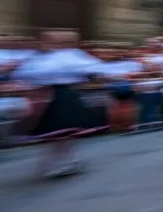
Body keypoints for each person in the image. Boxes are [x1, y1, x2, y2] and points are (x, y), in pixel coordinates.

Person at [11, 30, 117, 178]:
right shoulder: (40, 57)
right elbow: (22, 73)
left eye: (52, 40)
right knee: (54, 133)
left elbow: (95, 68)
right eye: (46, 40)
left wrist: (90, 76)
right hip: (45, 95)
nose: (49, 43)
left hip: (63, 94)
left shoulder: (71, 55)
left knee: (61, 132)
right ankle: (62, 161)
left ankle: (65, 162)